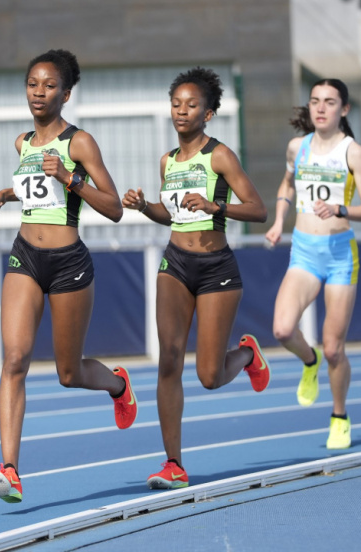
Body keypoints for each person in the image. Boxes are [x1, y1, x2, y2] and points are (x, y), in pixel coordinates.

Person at [0, 49, 136, 503]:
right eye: (33, 84)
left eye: (49, 86)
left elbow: (114, 208)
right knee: (15, 359)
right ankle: (10, 470)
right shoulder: (22, 142)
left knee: (69, 372)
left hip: (68, 263)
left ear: (65, 95)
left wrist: (71, 178)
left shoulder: (80, 143)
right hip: (25, 256)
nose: (39, 92)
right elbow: (34, 190)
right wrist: (4, 194)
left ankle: (118, 384)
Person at [122, 67, 270, 490]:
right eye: (176, 104)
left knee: (208, 376)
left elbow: (258, 209)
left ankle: (247, 355)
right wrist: (144, 206)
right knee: (168, 359)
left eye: (191, 105)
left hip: (216, 267)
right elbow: (171, 215)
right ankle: (173, 464)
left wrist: (214, 206)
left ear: (208, 114)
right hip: (175, 264)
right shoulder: (167, 161)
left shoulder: (220, 156)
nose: (182, 111)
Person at [264, 78, 361, 449]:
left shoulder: (352, 152)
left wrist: (339, 208)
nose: (321, 108)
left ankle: (339, 416)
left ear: (344, 109)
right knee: (282, 330)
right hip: (304, 251)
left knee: (334, 349)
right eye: (315, 101)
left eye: (330, 102)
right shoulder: (297, 147)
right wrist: (279, 221)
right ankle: (308, 361)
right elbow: (287, 184)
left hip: (340, 255)